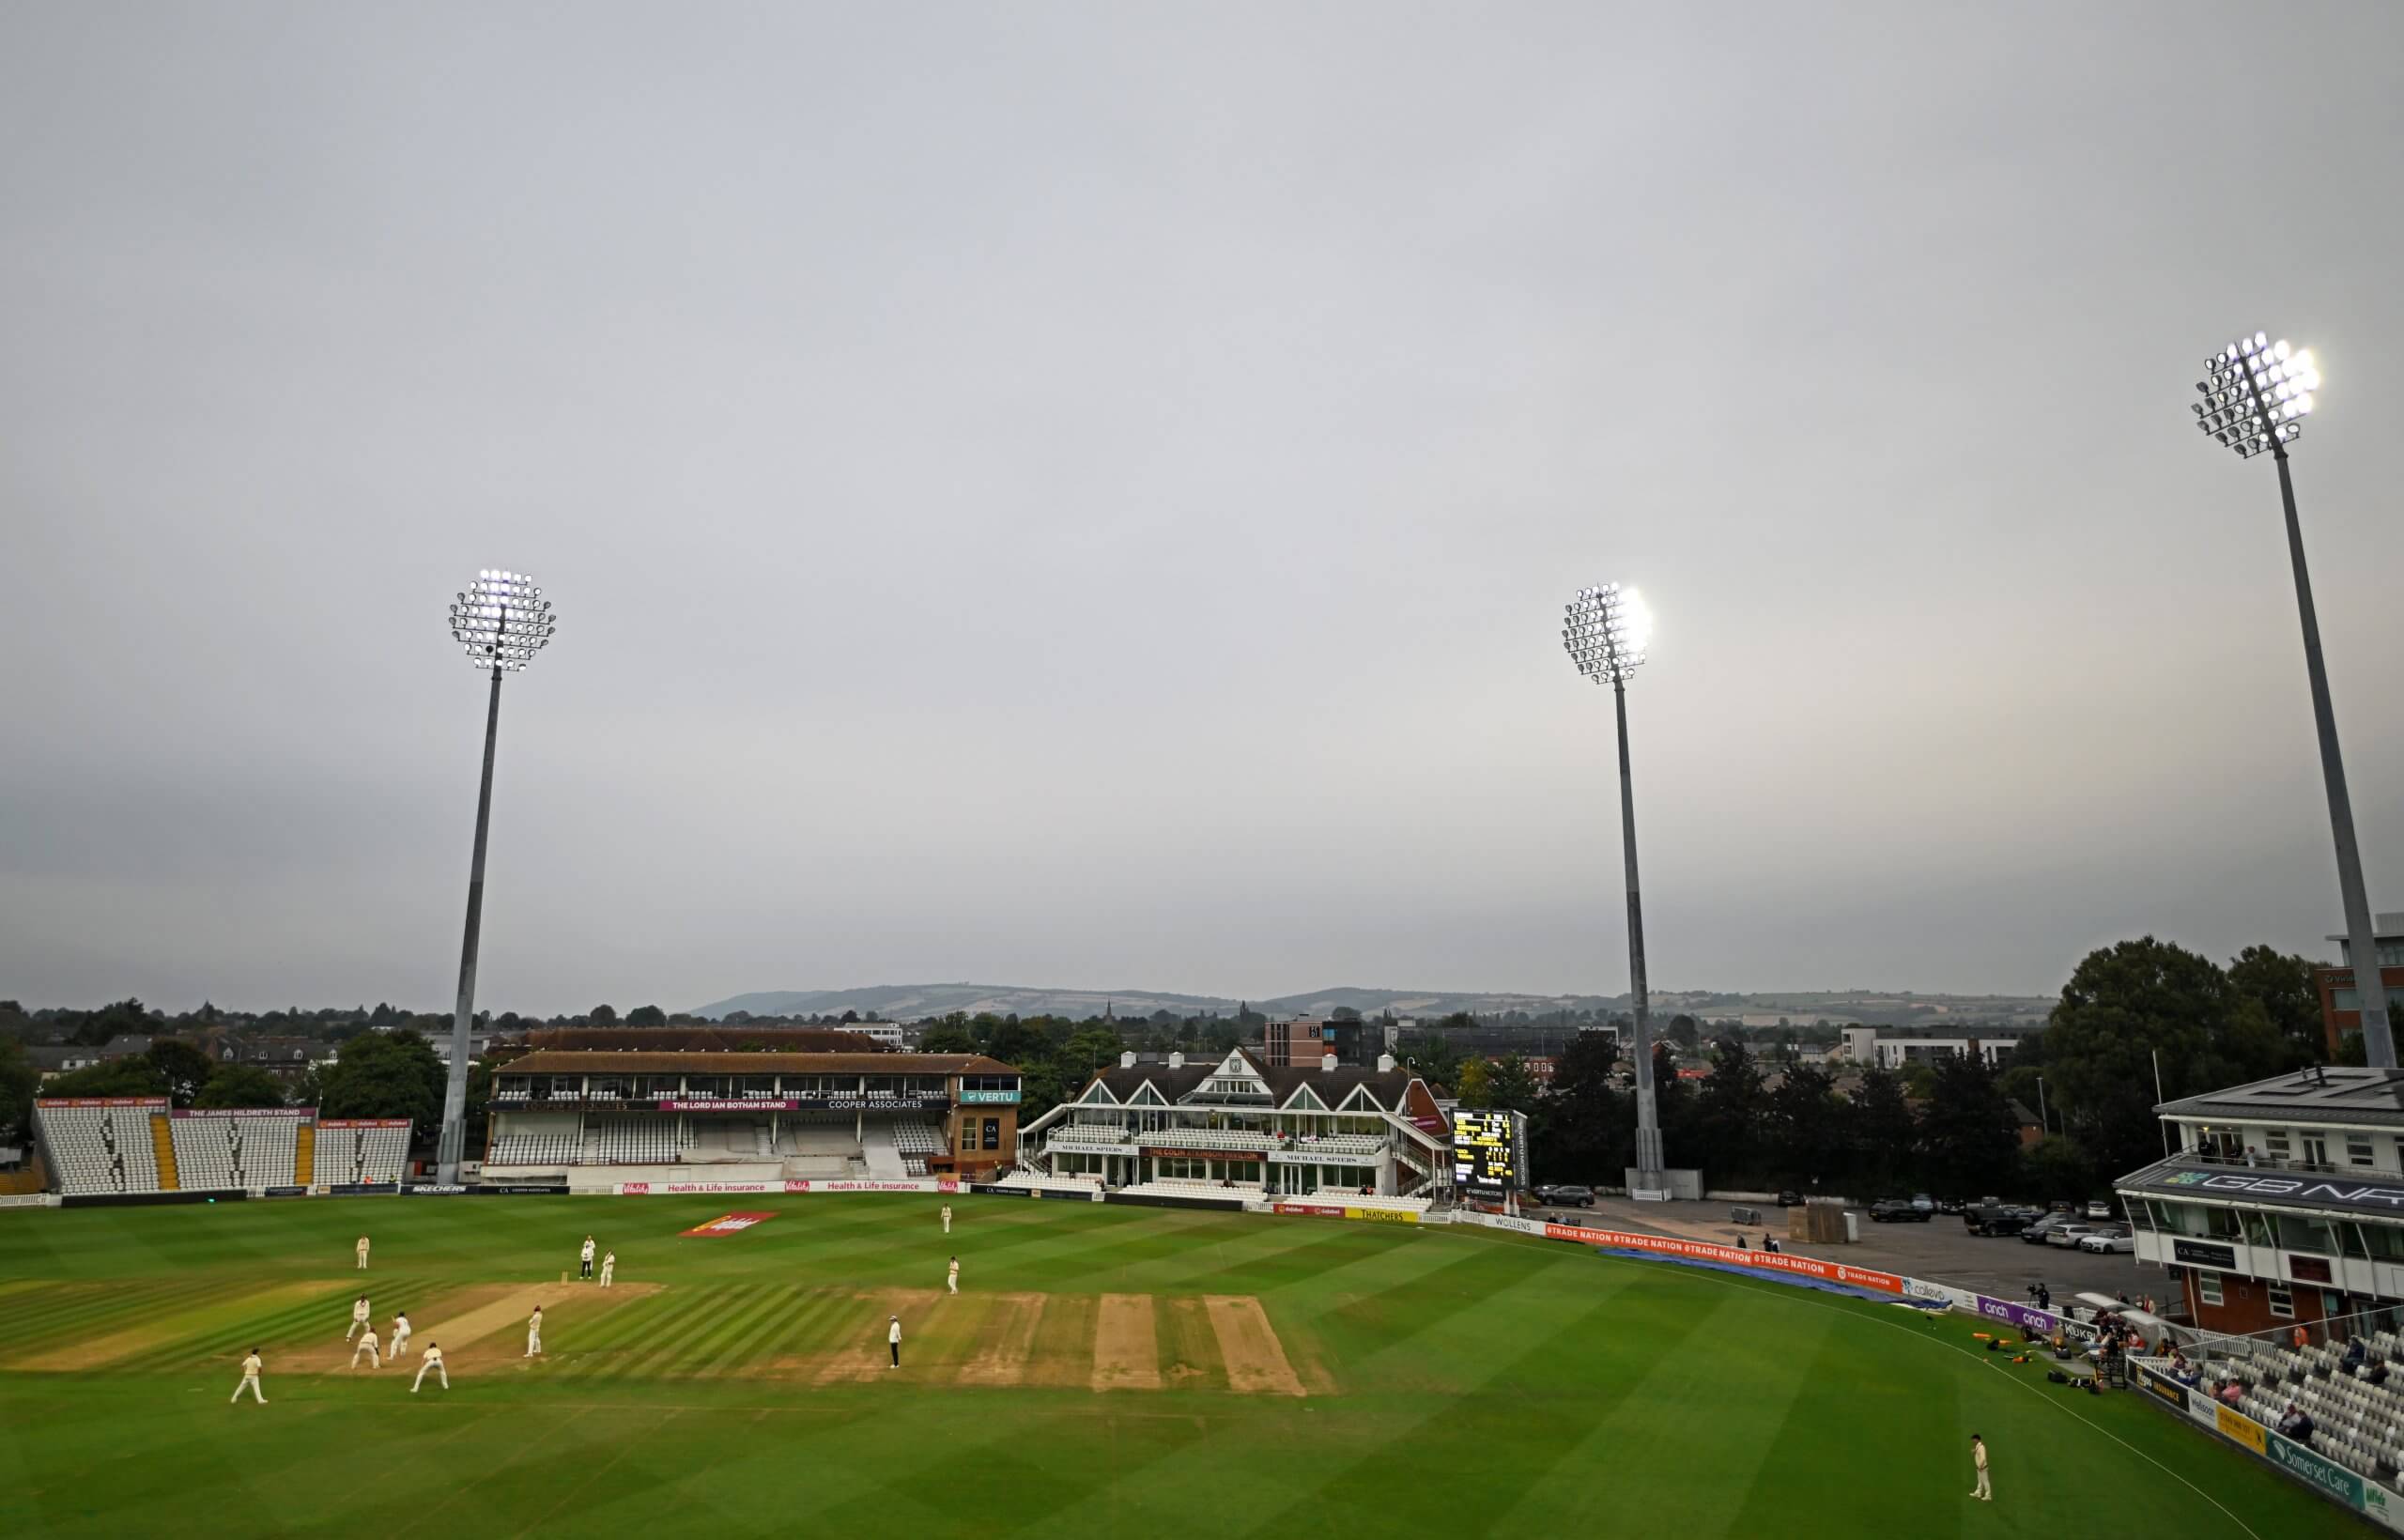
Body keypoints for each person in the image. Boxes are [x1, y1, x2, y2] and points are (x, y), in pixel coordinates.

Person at [1968, 1435, 1991, 1502]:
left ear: (1977, 1439)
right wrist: (1974, 1451)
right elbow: (1978, 1451)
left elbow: (1983, 1458)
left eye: (1973, 1439)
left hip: (1982, 1467)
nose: (1972, 1441)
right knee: (1980, 1481)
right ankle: (1978, 1493)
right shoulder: (1978, 1446)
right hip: (1979, 1467)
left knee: (1985, 1482)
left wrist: (1980, 1467)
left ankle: (1988, 1496)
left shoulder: (1981, 1447)